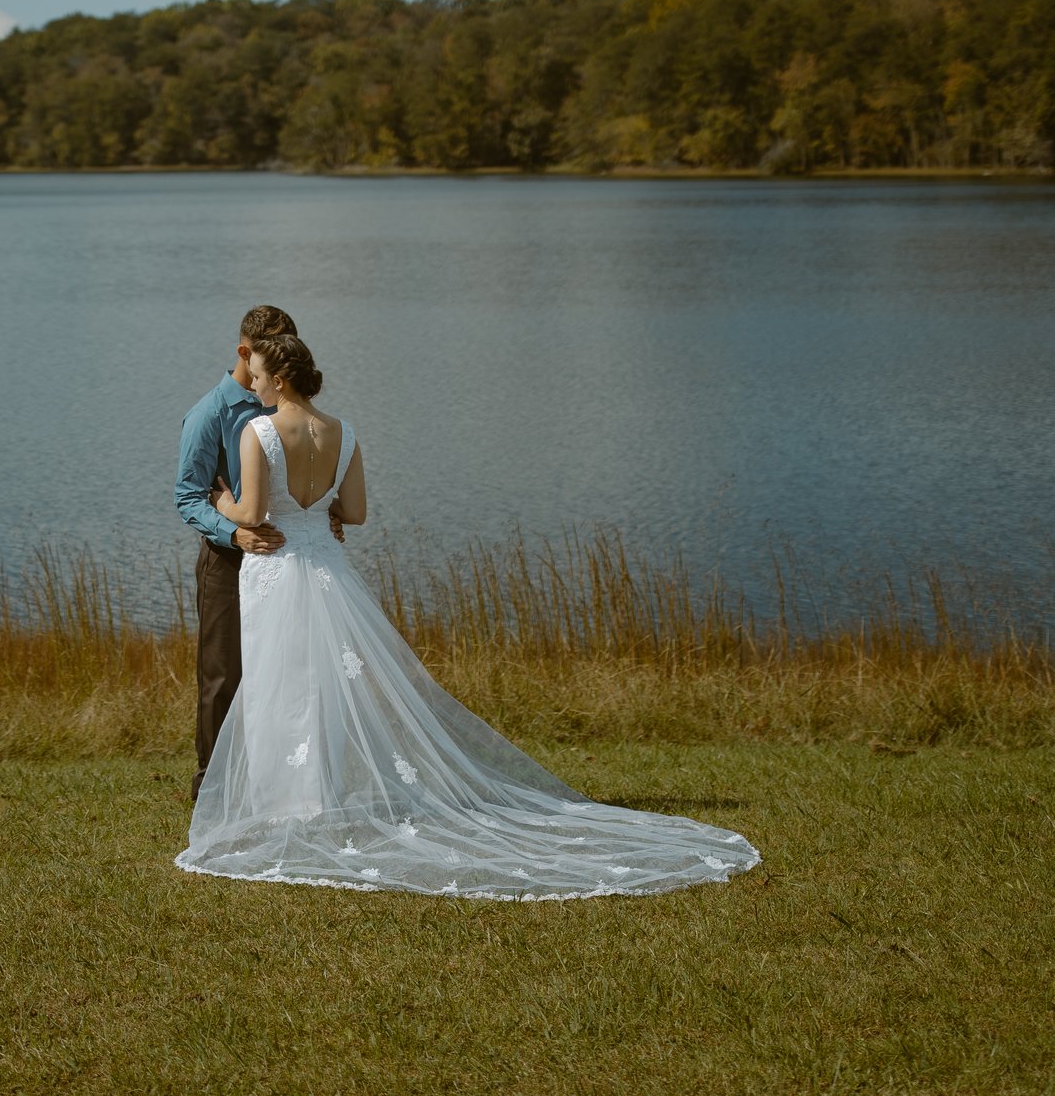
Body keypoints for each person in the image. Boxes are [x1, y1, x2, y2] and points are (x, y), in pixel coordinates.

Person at [178, 331, 761, 900]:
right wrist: (316, 513)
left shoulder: (259, 430)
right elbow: (353, 512)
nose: (252, 387)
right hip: (329, 571)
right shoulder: (343, 432)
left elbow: (252, 512)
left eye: (257, 378)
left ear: (279, 379)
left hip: (276, 567)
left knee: (278, 680)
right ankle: (314, 800)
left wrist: (217, 497)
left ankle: (283, 805)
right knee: (323, 684)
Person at [173, 304, 304, 803]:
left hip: (287, 561)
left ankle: (276, 777)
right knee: (223, 674)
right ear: (244, 353)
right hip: (228, 562)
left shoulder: (285, 408)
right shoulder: (209, 414)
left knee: (285, 669)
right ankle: (213, 787)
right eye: (272, 357)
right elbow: (188, 495)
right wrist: (234, 535)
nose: (283, 368)